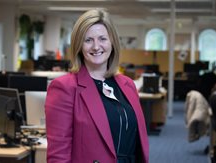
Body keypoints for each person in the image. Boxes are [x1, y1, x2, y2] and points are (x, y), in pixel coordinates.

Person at [45, 9, 149, 163]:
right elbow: (58, 155)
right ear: (79, 45)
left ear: (112, 42)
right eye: (88, 40)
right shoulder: (64, 87)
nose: (96, 46)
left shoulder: (128, 85)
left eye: (102, 39)